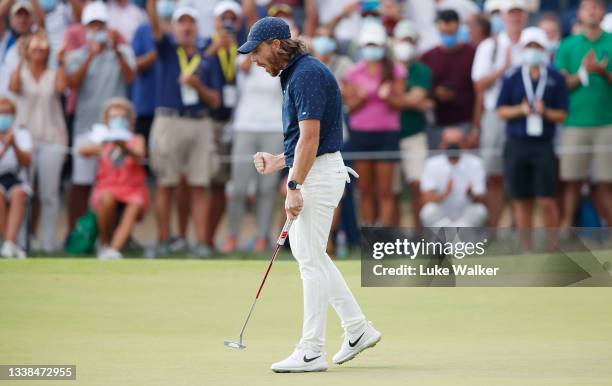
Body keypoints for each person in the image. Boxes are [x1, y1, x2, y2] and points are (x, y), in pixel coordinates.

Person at [239, 16, 381, 373]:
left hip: (317, 176)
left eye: (256, 52)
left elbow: (312, 138)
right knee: (311, 256)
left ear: (275, 44)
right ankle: (357, 329)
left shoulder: (305, 75)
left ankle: (311, 350)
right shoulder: (297, 74)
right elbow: (306, 142)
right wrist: (278, 161)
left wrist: (293, 185)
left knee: (309, 262)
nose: (252, 60)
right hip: (317, 170)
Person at [146, 0, 221, 258]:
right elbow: (155, 25)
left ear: (197, 27)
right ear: (174, 28)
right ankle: (165, 240)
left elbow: (215, 100)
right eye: (181, 22)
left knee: (200, 184)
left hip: (200, 122)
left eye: (190, 22)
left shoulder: (207, 59)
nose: (186, 27)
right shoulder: (167, 49)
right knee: (166, 182)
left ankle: (201, 244)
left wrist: (196, 85)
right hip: (169, 121)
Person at [65, 1, 136, 232]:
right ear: (85, 29)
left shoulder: (122, 52)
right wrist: (90, 56)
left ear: (108, 27)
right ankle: (75, 236)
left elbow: (130, 78)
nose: (97, 30)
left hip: (116, 131)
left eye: (100, 25)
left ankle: (110, 238)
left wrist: (116, 50)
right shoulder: (77, 55)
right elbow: (72, 83)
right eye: (92, 26)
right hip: (85, 127)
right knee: (81, 184)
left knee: (117, 185)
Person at [497, 27, 568, 251]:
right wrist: (521, 110)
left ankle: (554, 246)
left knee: (546, 198)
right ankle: (526, 248)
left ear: (544, 49)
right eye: (529, 47)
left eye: (537, 47)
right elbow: (501, 110)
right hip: (517, 143)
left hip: (543, 145)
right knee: (521, 198)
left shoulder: (555, 77)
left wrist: (544, 111)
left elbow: (562, 114)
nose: (533, 51)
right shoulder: (512, 76)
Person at [555, 0, 612, 230]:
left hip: (607, 123)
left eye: (596, 6)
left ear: (603, 12)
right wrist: (583, 72)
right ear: (579, 13)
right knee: (571, 181)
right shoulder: (568, 45)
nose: (591, 10)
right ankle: (566, 228)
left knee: (606, 183)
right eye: (587, 7)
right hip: (575, 123)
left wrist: (602, 72)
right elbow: (561, 85)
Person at [342, 22, 406, 227]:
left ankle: (384, 236)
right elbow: (349, 107)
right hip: (361, 133)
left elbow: (399, 104)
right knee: (366, 189)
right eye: (369, 44)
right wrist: (360, 98)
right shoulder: (353, 72)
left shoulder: (396, 70)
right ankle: (369, 233)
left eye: (376, 44)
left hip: (387, 134)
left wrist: (387, 97)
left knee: (385, 189)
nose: (372, 49)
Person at [471, 0, 528, 228]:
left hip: (524, 117)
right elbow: (479, 85)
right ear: (503, 18)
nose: (514, 18)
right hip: (496, 116)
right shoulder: (490, 46)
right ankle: (493, 229)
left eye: (518, 13)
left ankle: (518, 227)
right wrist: (502, 69)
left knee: (519, 175)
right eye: (510, 13)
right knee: (494, 176)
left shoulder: (533, 44)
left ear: (524, 17)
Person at [9, 30, 67, 253]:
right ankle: (20, 242)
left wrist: (61, 60)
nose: (38, 50)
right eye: (34, 47)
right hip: (25, 140)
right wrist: (21, 57)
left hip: (53, 138)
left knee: (49, 194)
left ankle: (48, 243)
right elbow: (14, 88)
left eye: (42, 47)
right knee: (24, 191)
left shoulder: (53, 73)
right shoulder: (21, 72)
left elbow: (62, 88)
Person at [221, 54, 284, 253]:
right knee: (238, 188)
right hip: (245, 127)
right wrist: (256, 51)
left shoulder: (280, 59)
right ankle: (232, 235)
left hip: (274, 127)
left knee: (266, 188)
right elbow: (245, 68)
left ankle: (261, 237)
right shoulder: (244, 58)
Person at [79, 98, 148, 260]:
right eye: (114, 117)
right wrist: (104, 144)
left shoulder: (136, 140)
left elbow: (139, 156)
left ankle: (114, 250)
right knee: (107, 197)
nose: (118, 121)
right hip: (107, 188)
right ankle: (104, 244)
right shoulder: (103, 141)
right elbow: (82, 151)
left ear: (130, 120)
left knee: (135, 204)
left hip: (132, 189)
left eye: (122, 117)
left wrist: (124, 147)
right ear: (107, 120)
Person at [202, 0, 244, 251]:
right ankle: (193, 239)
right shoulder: (203, 44)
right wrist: (212, 50)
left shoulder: (243, 50)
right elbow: (190, 73)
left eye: (232, 18)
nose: (227, 22)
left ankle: (207, 239)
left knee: (219, 182)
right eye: (223, 18)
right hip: (206, 120)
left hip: (231, 122)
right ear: (215, 21)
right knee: (199, 181)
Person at [392, 20, 432, 230]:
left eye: (409, 40)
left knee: (418, 185)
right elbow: (416, 101)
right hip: (389, 135)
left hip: (414, 134)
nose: (405, 43)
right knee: (393, 190)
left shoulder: (421, 70)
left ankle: (420, 234)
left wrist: (391, 97)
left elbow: (417, 99)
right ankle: (396, 238)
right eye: (402, 40)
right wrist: (413, 101)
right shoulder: (387, 67)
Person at [421, 9, 476, 149]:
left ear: (458, 27)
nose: (448, 36)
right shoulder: (427, 57)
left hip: (465, 121)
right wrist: (436, 94)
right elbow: (422, 90)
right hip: (436, 123)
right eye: (444, 32)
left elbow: (479, 90)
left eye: (451, 32)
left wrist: (475, 127)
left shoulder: (473, 53)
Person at [420, 127, 487, 227]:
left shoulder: (476, 163)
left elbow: (481, 198)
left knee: (480, 210)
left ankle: (454, 237)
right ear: (442, 145)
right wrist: (444, 194)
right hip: (442, 216)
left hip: (465, 214)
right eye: (449, 144)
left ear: (464, 144)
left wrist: (471, 194)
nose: (453, 147)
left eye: (456, 144)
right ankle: (453, 238)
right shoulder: (431, 164)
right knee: (428, 211)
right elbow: (425, 198)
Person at [0, 97, 33, 258]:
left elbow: (26, 162)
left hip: (14, 179)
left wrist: (14, 144)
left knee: (18, 193)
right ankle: (10, 244)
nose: (4, 117)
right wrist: (5, 147)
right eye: (1, 113)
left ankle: (8, 244)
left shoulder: (21, 133)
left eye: (7, 113)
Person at [0, 0, 41, 98]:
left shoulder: (38, 39)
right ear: (11, 20)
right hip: (7, 103)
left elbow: (42, 20)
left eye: (26, 15)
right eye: (18, 15)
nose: (22, 19)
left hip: (29, 102)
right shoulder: (5, 38)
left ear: (32, 20)